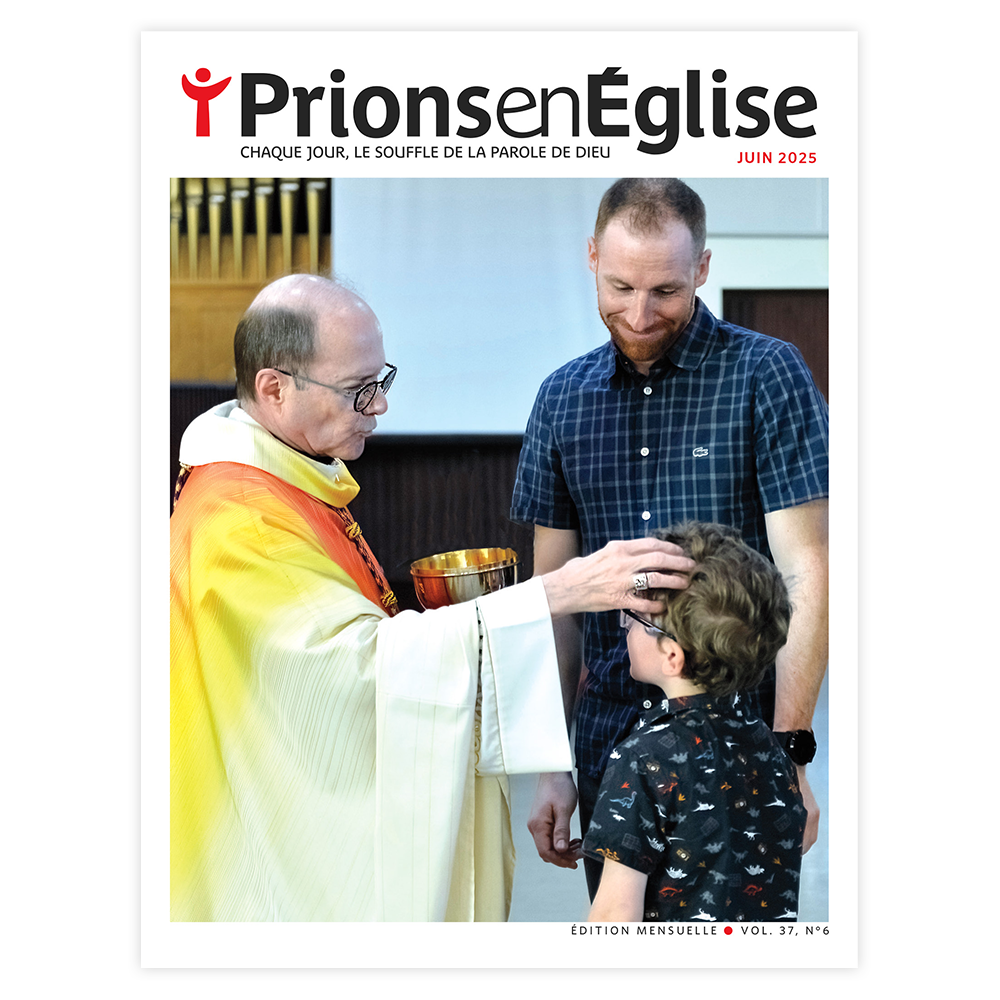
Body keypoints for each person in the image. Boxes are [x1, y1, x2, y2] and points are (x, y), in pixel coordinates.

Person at [170, 273, 695, 922]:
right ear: (275, 388)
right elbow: (354, 672)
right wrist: (559, 591)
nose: (381, 406)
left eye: (381, 379)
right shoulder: (240, 520)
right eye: (359, 389)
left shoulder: (286, 481)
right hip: (266, 844)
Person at [510, 178, 829, 898]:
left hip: (744, 737)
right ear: (592, 257)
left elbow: (808, 572)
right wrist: (551, 764)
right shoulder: (561, 398)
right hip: (609, 735)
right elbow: (554, 602)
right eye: (621, 286)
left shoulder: (767, 374)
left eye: (666, 290)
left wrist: (791, 751)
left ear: (702, 269)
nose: (640, 313)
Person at [584, 522, 805, 922]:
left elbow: (615, 914)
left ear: (672, 655)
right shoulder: (770, 748)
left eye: (635, 618)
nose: (626, 626)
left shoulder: (641, 760)